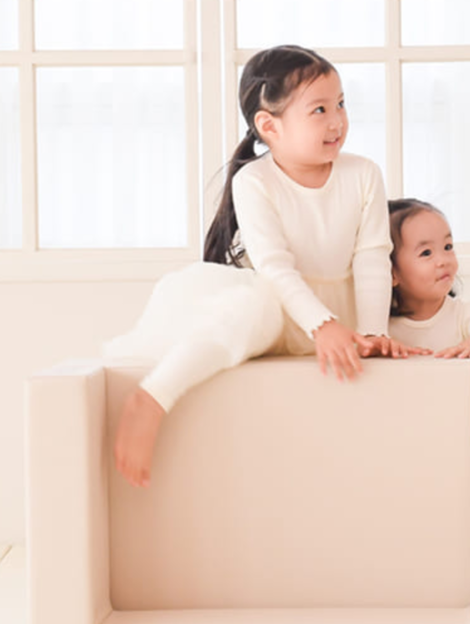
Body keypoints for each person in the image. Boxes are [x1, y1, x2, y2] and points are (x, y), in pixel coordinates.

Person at [104, 45, 407, 488]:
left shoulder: (363, 173)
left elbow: (372, 256)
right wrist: (320, 325)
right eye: (319, 110)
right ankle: (153, 398)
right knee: (249, 305)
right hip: (281, 309)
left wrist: (374, 331)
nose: (337, 121)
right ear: (269, 126)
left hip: (342, 316)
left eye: (341, 104)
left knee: (406, 322)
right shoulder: (255, 181)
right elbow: (275, 267)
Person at [359, 198, 470, 359]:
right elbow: (358, 349)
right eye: (426, 253)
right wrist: (377, 348)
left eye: (448, 247)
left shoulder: (461, 314)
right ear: (390, 273)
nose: (443, 261)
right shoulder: (379, 323)